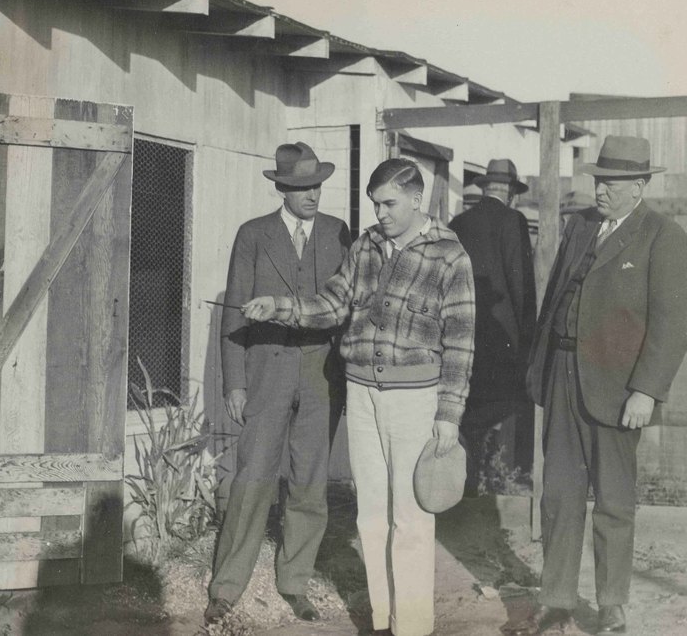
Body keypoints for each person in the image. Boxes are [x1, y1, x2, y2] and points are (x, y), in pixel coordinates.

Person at [241, 158, 475, 636]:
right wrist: (278, 307)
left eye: (389, 203)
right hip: (362, 396)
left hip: (416, 401)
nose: (380, 212)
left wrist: (448, 414)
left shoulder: (450, 255)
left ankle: (412, 626)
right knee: (371, 516)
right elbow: (332, 303)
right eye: (375, 203)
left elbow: (462, 342)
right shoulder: (367, 245)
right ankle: (385, 619)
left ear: (416, 199)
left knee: (410, 517)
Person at [516, 136, 687, 635]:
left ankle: (612, 604)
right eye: (598, 181)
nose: (602, 191)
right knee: (559, 494)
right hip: (563, 378)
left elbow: (671, 323)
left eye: (612, 184)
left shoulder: (663, 237)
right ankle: (556, 601)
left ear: (638, 186)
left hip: (618, 389)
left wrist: (647, 390)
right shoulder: (579, 227)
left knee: (614, 500)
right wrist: (539, 371)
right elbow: (552, 302)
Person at [204, 142, 351, 625]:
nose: (312, 194)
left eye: (317, 185)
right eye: (301, 187)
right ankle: (226, 588)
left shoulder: (337, 233)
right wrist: (235, 382)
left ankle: (295, 582)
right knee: (252, 480)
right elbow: (234, 317)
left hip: (321, 375)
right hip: (265, 374)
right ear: (282, 189)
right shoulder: (254, 234)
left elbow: (346, 308)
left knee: (309, 484)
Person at [449, 159, 536, 493]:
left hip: (461, 336)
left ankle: (465, 490)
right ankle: (500, 484)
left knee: (466, 420)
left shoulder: (458, 223)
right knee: (504, 416)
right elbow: (521, 285)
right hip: (503, 342)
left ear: (484, 188)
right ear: (511, 191)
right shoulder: (513, 220)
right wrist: (527, 342)